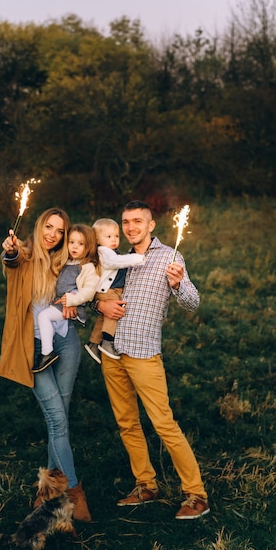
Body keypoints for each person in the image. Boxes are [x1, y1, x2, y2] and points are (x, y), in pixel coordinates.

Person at [96, 200, 210, 520]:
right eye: (126, 222)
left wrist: (177, 283)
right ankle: (146, 484)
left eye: (137, 221)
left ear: (151, 225)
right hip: (112, 351)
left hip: (144, 352)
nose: (131, 227)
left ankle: (196, 494)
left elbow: (192, 301)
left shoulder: (169, 256)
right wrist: (99, 307)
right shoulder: (113, 256)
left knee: (163, 424)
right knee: (127, 423)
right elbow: (93, 289)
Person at [0, 208, 92, 522]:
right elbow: (10, 261)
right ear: (38, 228)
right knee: (56, 419)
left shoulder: (67, 262)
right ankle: (74, 492)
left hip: (66, 344)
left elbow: (87, 291)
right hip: (32, 350)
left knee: (60, 417)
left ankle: (47, 493)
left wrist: (78, 310)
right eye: (48, 227)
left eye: (59, 230)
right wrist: (9, 251)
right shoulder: (21, 257)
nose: (53, 234)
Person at [33, 224, 100, 373]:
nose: (74, 247)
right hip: (58, 302)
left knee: (43, 317)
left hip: (69, 303)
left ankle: (46, 353)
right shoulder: (66, 261)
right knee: (44, 317)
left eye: (81, 244)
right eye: (71, 242)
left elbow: (89, 291)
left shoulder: (88, 267)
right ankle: (48, 349)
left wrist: (72, 300)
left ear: (88, 247)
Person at [84, 218, 145, 364]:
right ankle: (107, 341)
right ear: (97, 239)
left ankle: (93, 344)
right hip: (109, 290)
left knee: (105, 316)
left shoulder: (108, 251)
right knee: (114, 312)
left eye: (116, 236)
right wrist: (138, 258)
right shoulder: (104, 251)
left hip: (109, 289)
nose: (114, 240)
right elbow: (115, 262)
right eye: (108, 236)